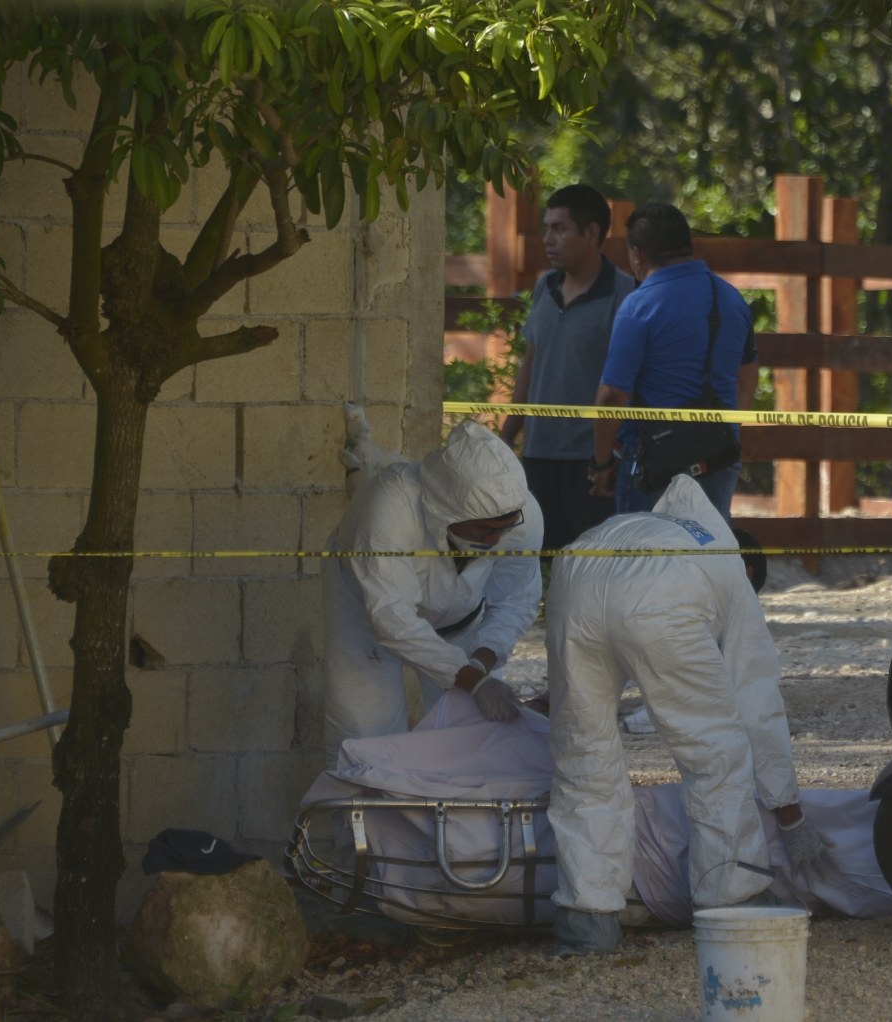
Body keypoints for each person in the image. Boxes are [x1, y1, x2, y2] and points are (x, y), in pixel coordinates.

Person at [544, 474, 827, 956]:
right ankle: (733, 905)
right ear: (751, 574)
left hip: (574, 573)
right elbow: (755, 703)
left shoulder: (643, 526)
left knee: (584, 756)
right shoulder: (729, 567)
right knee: (716, 754)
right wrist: (791, 813)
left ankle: (586, 920)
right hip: (661, 592)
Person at [323, 420, 544, 767]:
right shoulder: (390, 506)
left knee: (472, 741)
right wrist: (472, 681)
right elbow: (391, 618)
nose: (495, 540)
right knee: (367, 737)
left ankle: (451, 822)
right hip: (367, 615)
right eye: (484, 530)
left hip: (461, 620)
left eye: (503, 529)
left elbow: (515, 599)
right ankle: (371, 820)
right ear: (446, 512)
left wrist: (481, 664)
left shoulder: (524, 518)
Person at [586, 202, 756, 519]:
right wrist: (726, 432)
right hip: (718, 458)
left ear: (637, 254)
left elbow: (611, 395)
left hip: (653, 464)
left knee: (646, 564)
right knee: (707, 557)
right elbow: (747, 378)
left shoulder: (639, 306)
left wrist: (601, 462)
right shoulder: (732, 299)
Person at [498, 184, 638, 551]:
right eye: (546, 228)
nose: (548, 239)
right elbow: (531, 362)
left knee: (592, 569)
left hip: (591, 464)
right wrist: (504, 441)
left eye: (559, 229)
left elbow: (627, 386)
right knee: (535, 564)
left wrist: (607, 458)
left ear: (591, 233)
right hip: (538, 455)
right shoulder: (545, 286)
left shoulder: (624, 295)